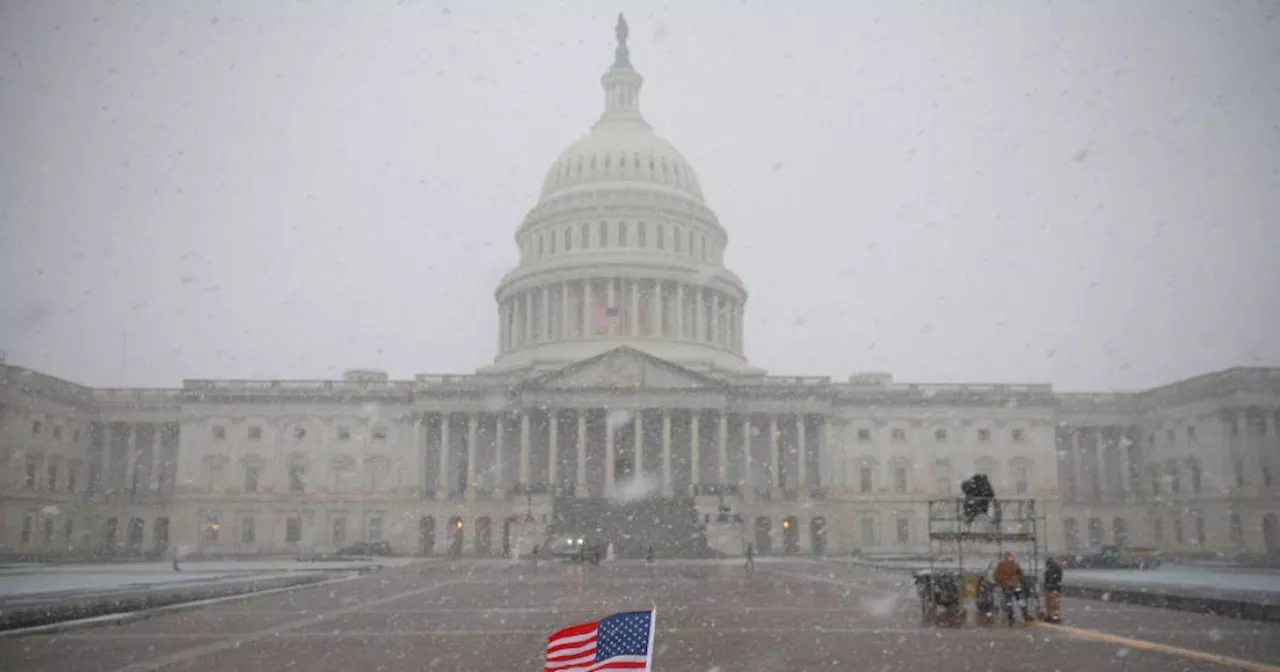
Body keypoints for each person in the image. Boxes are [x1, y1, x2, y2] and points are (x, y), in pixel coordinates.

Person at [994, 551, 1026, 626]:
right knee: (1020, 600)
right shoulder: (1014, 564)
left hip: (1007, 586)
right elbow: (1021, 574)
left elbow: (996, 576)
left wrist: (1002, 582)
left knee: (1009, 602)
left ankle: (1010, 617)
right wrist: (1021, 581)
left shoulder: (1001, 565)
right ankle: (1025, 614)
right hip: (1015, 585)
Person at [1043, 556, 1064, 623]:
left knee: (1051, 603)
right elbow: (1058, 578)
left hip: (1052, 588)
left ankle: (1051, 616)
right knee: (1053, 603)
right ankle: (1053, 616)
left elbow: (1049, 579)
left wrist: (1048, 585)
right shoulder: (1056, 568)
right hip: (1053, 588)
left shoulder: (1052, 568)